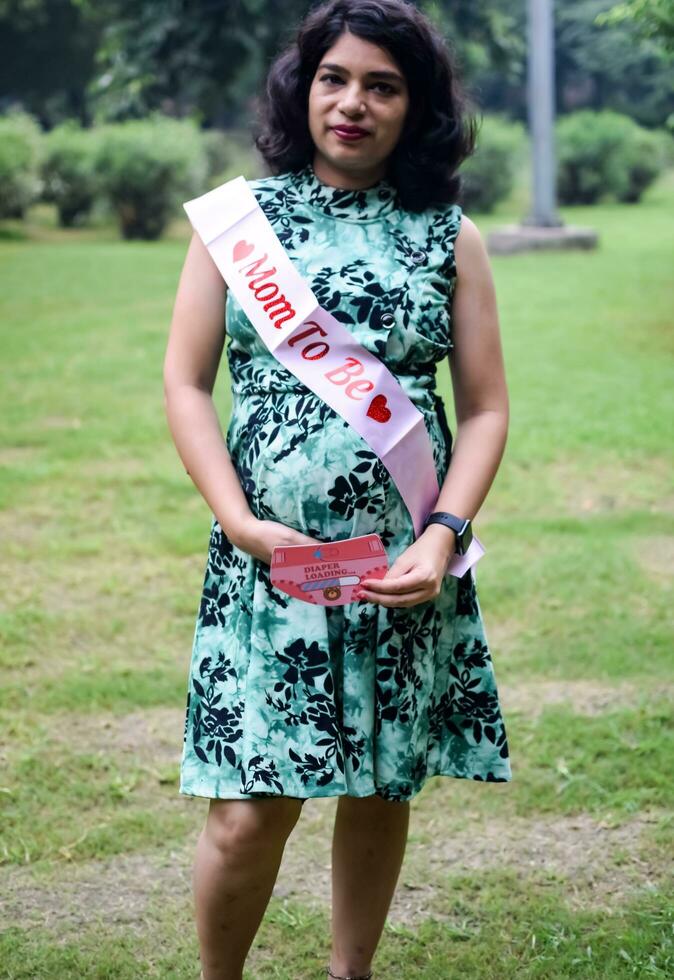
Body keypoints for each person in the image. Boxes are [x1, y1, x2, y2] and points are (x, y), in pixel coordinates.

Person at [163, 1, 511, 977]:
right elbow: (186, 381)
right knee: (250, 810)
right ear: (302, 86)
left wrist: (441, 532)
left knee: (376, 784)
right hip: (268, 564)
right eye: (334, 77)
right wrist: (238, 521)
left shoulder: (450, 236)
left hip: (399, 564)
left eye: (381, 84)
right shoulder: (238, 224)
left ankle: (349, 971)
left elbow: (482, 407)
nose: (351, 102)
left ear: (416, 105)